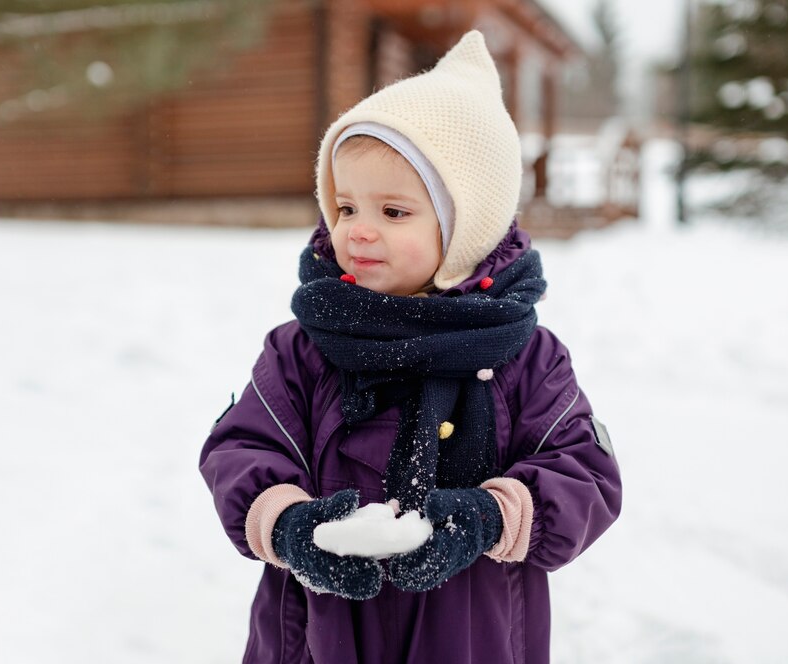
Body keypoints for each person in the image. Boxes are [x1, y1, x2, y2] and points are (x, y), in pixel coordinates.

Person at [199, 30, 622, 664]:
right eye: (344, 207)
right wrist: (290, 527)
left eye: (393, 212)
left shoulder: (526, 358)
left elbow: (585, 473)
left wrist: (483, 518)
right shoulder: (303, 346)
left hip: (470, 638)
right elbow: (242, 447)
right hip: (318, 639)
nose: (357, 231)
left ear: (465, 227)